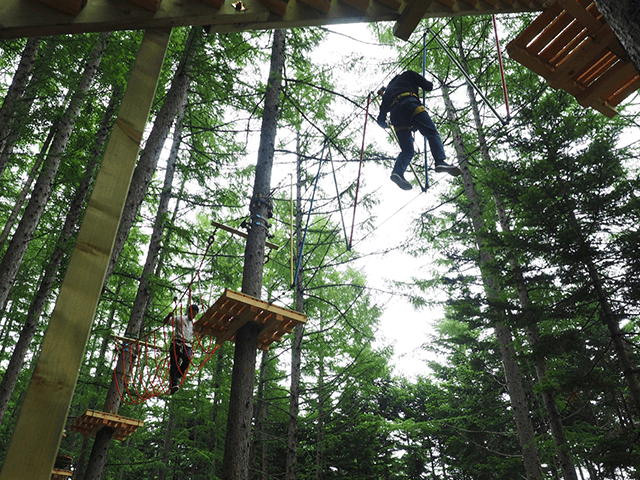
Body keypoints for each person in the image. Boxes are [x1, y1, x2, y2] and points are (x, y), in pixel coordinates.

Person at [377, 70, 460, 190]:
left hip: (396, 116)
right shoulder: (408, 74)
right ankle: (440, 161)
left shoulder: (389, 91)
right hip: (410, 103)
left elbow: (380, 119)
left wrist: (386, 124)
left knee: (407, 150)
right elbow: (428, 86)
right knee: (431, 133)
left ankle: (398, 172)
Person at [164, 304, 199, 394]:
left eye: (195, 315)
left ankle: (179, 374)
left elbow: (199, 333)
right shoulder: (180, 318)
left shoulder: (194, 325)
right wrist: (169, 316)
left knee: (187, 359)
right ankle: (173, 385)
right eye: (192, 314)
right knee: (174, 364)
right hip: (177, 342)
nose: (193, 316)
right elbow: (166, 322)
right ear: (188, 312)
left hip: (187, 344)